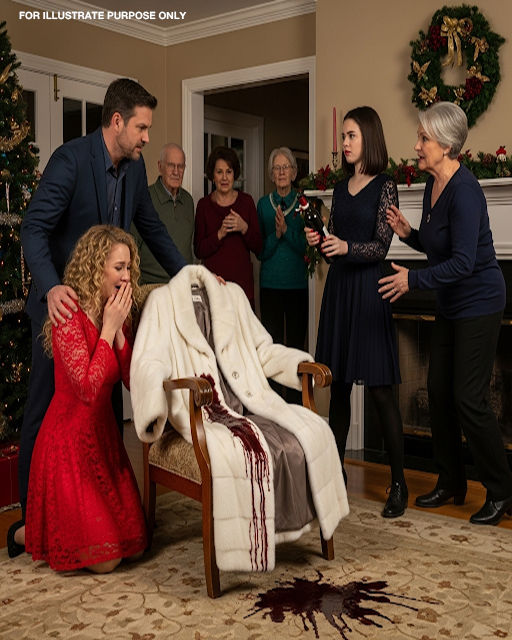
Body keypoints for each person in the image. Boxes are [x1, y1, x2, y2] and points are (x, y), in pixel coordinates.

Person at [10, 78, 187, 555]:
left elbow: (151, 229)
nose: (147, 137)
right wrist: (52, 287)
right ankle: (32, 522)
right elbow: (34, 227)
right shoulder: (70, 160)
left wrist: (192, 276)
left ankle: (99, 512)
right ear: (117, 122)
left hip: (106, 309)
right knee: (44, 410)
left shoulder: (134, 168)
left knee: (104, 413)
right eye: (142, 128)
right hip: (63, 309)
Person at [379, 101, 512, 526]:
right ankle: (451, 480)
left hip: (480, 301)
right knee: (437, 390)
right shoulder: (433, 186)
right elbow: (441, 246)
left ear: (448, 146)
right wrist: (409, 234)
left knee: (469, 397)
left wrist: (412, 281)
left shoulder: (466, 191)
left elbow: (464, 263)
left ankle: (501, 490)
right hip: (452, 304)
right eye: (419, 137)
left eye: (424, 138)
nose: (417, 145)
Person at [10, 226, 147, 572]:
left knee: (135, 547)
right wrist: (108, 330)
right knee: (107, 560)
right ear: (97, 267)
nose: (126, 276)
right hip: (67, 445)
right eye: (119, 268)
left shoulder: (116, 312)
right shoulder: (68, 314)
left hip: (104, 442)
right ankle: (25, 533)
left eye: (128, 268)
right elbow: (87, 389)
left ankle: (45, 529)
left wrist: (118, 331)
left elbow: (132, 382)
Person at [307, 106, 407, 518]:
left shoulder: (385, 186)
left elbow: (381, 247)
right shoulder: (339, 188)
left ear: (369, 137)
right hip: (340, 291)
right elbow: (336, 249)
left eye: (351, 136)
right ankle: (336, 475)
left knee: (381, 390)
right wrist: (321, 242)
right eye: (343, 136)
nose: (345, 143)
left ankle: (398, 483)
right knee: (340, 387)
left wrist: (346, 247)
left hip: (369, 292)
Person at [257, 147, 308, 404]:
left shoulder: (304, 203)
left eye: (285, 167)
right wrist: (275, 235)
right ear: (271, 173)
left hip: (298, 284)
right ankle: (274, 404)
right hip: (270, 285)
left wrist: (287, 230)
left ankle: (296, 405)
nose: (281, 172)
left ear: (294, 172)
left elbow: (307, 248)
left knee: (296, 346)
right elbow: (260, 251)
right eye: (276, 168)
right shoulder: (263, 205)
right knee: (273, 348)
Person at [194, 146, 262, 307]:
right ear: (212, 175)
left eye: (229, 172)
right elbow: (198, 250)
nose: (224, 178)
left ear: (234, 174)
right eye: (219, 172)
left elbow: (259, 247)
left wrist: (244, 228)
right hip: (213, 289)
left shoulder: (246, 202)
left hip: (242, 290)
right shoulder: (203, 206)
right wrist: (219, 234)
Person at [132, 142, 195, 283]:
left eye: (180, 166)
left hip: (183, 283)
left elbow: (191, 248)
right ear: (160, 167)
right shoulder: (145, 199)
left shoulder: (188, 201)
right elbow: (132, 248)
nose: (176, 172)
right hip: (151, 286)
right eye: (171, 165)